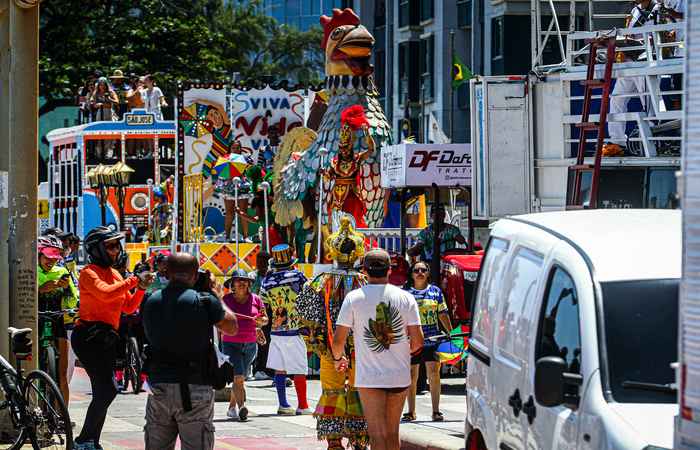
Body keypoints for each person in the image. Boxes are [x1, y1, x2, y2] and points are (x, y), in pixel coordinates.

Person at [141, 252, 238, 449]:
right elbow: (232, 327)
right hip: (196, 386)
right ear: (196, 276)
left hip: (159, 385)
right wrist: (214, 293)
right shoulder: (204, 301)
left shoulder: (151, 300)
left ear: (166, 273)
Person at [332, 248, 423, 450]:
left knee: (377, 433)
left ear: (364, 271)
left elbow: (338, 340)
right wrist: (403, 352)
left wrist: (338, 359)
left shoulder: (354, 298)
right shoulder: (406, 297)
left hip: (370, 376)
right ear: (389, 270)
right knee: (392, 431)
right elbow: (417, 341)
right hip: (399, 375)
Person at [71, 226, 153, 450]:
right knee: (108, 390)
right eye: (110, 245)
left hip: (106, 336)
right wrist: (134, 279)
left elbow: (128, 307)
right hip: (87, 336)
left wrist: (141, 288)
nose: (116, 250)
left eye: (117, 245)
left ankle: (92, 443)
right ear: (95, 249)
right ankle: (81, 441)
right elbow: (105, 293)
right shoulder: (88, 272)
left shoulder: (116, 273)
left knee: (102, 393)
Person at [296, 217, 369, 449]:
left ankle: (335, 440)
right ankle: (359, 439)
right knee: (359, 391)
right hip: (361, 352)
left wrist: (319, 344)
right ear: (358, 255)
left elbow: (305, 319)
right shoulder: (366, 283)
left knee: (331, 391)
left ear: (333, 254)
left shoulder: (319, 281)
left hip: (330, 349)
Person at [259, 244, 312, 414]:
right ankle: (302, 405)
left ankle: (283, 405)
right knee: (299, 369)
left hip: (276, 329)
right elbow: (309, 292)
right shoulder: (297, 276)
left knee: (279, 368)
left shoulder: (266, 281)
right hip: (295, 329)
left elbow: (263, 305)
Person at [401, 260, 453, 422]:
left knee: (434, 375)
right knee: (411, 376)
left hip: (433, 338)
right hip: (411, 340)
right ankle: (411, 411)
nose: (420, 273)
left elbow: (443, 314)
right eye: (416, 270)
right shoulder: (405, 293)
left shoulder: (436, 291)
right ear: (411, 274)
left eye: (423, 270)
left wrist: (451, 335)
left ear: (428, 273)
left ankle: (436, 411)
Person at [608, 0, 661, 145]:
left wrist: (641, 42)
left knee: (649, 103)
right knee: (617, 99)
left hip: (647, 61)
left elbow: (663, 35)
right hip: (630, 59)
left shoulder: (658, 9)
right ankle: (617, 140)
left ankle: (652, 142)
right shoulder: (635, 11)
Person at [220, 269, 268, 421]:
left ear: (248, 284)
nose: (242, 282)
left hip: (250, 343)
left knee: (240, 379)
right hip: (230, 343)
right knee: (238, 376)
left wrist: (261, 322)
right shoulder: (225, 300)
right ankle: (242, 407)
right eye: (238, 280)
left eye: (245, 280)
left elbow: (264, 318)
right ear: (232, 284)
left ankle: (231, 408)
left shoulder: (256, 299)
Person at [37, 235, 79, 405]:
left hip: (57, 322)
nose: (51, 261)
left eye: (55, 258)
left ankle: (63, 418)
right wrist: (40, 289)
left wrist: (67, 288)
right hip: (36, 323)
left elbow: (71, 302)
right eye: (47, 257)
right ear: (39, 254)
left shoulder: (62, 271)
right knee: (39, 375)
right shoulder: (30, 271)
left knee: (62, 376)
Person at [324, 106, 376, 229]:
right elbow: (328, 177)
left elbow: (371, 149)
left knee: (354, 222)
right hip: (338, 196)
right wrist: (323, 174)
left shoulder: (357, 159)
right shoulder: (335, 162)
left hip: (352, 196)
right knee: (338, 223)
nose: (343, 150)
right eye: (341, 147)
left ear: (350, 147)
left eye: (346, 147)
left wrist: (367, 133)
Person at [213, 140, 253, 242]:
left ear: (240, 149)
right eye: (233, 148)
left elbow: (250, 171)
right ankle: (227, 237)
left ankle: (245, 237)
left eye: (237, 148)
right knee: (229, 213)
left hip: (242, 187)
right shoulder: (225, 160)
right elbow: (221, 174)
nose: (235, 149)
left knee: (243, 212)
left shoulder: (245, 159)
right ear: (230, 149)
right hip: (228, 188)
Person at [191, 98, 232, 179]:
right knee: (203, 179)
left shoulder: (226, 126)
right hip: (211, 157)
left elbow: (220, 107)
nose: (215, 117)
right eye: (211, 115)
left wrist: (203, 100)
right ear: (208, 117)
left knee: (217, 182)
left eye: (216, 113)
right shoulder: (212, 130)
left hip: (223, 159)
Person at [250, 251, 274, 380]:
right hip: (251, 312)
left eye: (262, 262)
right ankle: (253, 369)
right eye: (257, 262)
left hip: (267, 313)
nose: (259, 264)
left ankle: (264, 369)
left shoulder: (271, 277)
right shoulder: (251, 277)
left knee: (265, 341)